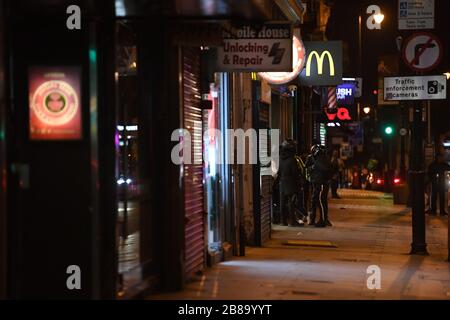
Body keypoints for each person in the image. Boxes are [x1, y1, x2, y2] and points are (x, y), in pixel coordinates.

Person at [277, 140, 304, 227]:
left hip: (282, 183)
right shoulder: (292, 159)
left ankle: (283, 221)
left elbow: (279, 172)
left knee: (282, 202)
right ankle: (292, 221)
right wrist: (299, 182)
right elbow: (295, 173)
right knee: (291, 203)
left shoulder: (280, 158)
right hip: (291, 183)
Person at [305, 144, 333, 227]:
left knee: (320, 200)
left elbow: (329, 170)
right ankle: (315, 219)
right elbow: (306, 167)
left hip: (321, 183)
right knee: (315, 200)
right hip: (317, 182)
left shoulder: (324, 159)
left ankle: (323, 220)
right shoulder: (312, 158)